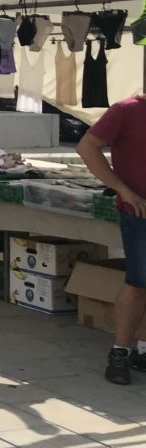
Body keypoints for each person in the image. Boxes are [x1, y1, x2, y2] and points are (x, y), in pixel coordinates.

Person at [77, 95, 146, 385]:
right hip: (139, 213)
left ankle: (142, 349)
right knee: (138, 282)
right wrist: (123, 190)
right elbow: (86, 147)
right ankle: (120, 352)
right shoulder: (127, 110)